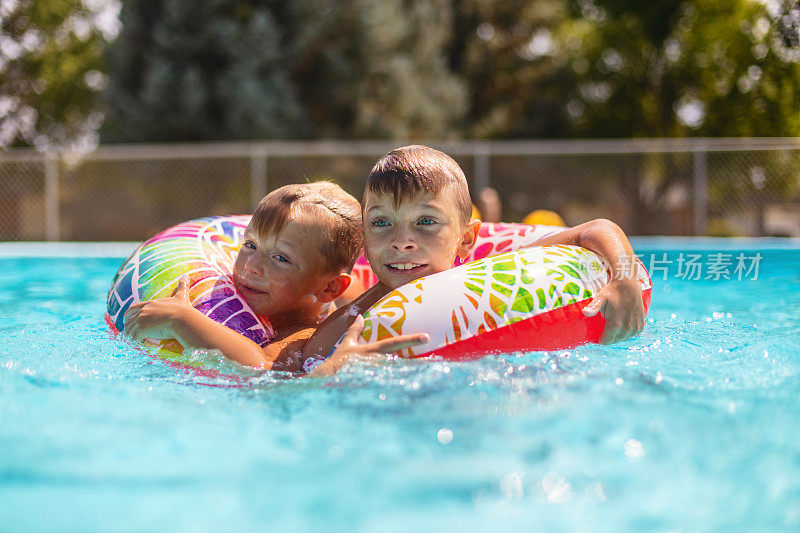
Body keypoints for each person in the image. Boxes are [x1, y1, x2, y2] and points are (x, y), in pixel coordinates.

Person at [303, 145, 647, 376]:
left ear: (465, 240)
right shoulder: (349, 324)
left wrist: (626, 276)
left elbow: (599, 229)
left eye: (425, 222)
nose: (402, 242)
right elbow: (299, 374)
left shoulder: (487, 278)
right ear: (364, 237)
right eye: (381, 223)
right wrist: (335, 370)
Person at [122, 182, 371, 373]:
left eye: (281, 258)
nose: (251, 267)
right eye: (251, 245)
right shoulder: (265, 278)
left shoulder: (307, 335)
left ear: (329, 288)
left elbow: (262, 369)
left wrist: (181, 320)